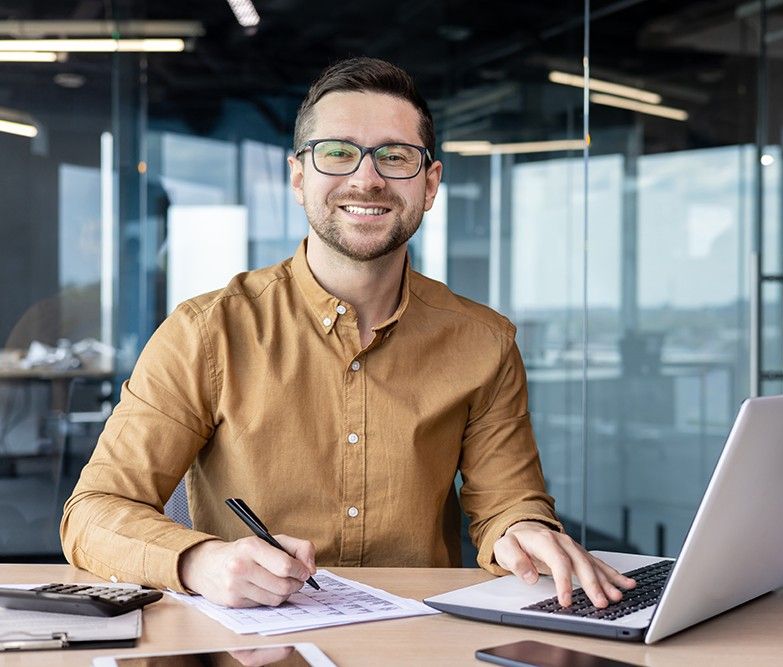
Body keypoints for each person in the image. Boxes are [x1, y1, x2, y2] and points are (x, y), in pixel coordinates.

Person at [61, 56, 634, 610]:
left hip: (417, 645)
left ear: (430, 184)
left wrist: (522, 529)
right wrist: (199, 560)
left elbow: (508, 500)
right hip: (253, 647)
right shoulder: (206, 332)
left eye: (395, 156)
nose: (367, 178)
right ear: (298, 177)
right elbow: (92, 513)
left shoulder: (485, 342)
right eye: (337, 153)